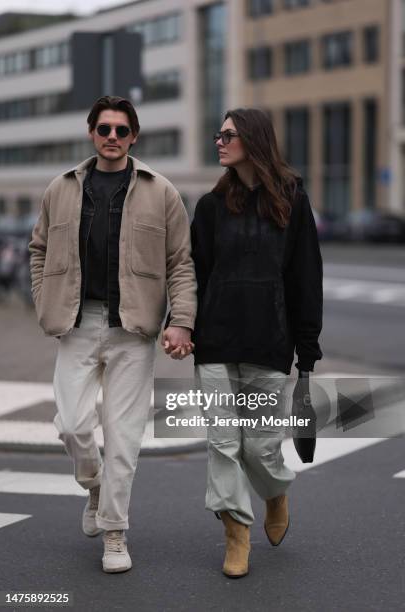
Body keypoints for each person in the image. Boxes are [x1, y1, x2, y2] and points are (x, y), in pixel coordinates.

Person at [29, 95, 196, 574]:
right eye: (104, 129)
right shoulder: (61, 188)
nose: (113, 138)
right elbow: (38, 249)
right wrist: (44, 299)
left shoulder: (160, 191)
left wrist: (181, 319)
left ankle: (115, 532)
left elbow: (180, 263)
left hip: (134, 331)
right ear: (91, 133)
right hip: (76, 325)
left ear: (134, 137)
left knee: (124, 439)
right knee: (72, 425)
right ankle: (94, 483)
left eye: (122, 130)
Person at [189, 107, 323, 578]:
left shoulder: (291, 200)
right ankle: (236, 532)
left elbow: (306, 277)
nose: (219, 141)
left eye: (227, 134)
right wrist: (181, 325)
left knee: (259, 449)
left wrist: (307, 348)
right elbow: (194, 276)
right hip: (214, 344)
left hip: (269, 343)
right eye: (218, 134)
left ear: (252, 139)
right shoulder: (209, 207)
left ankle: (275, 491)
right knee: (223, 444)